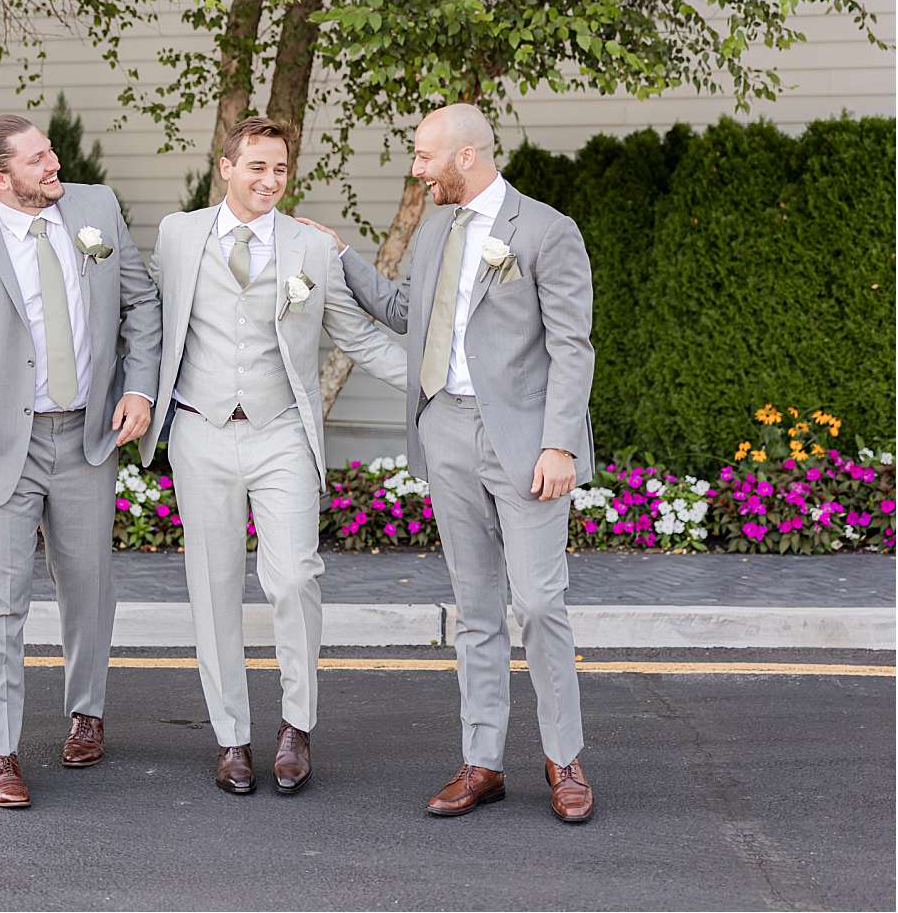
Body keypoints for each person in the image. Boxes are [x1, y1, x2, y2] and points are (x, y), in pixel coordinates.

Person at [313, 103, 597, 822]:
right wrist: (341, 256)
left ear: (465, 156)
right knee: (474, 610)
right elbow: (409, 313)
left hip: (528, 444)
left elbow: (573, 345)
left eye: (423, 156)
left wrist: (559, 443)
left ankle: (564, 759)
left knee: (537, 603)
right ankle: (483, 763)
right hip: (445, 430)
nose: (417, 169)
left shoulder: (545, 230)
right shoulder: (437, 227)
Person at [140, 116, 408, 796]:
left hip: (282, 430)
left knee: (293, 579)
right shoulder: (177, 235)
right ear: (226, 166)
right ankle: (232, 736)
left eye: (280, 170)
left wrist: (444, 376)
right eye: (257, 166)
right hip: (201, 429)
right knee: (215, 586)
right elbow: (145, 320)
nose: (269, 180)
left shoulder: (311, 251)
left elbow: (358, 336)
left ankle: (296, 725)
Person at [0, 114, 162, 808]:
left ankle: (87, 710)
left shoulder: (95, 208)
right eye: (36, 160)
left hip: (86, 437)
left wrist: (139, 388)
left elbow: (140, 303)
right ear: (0, 178)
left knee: (89, 586)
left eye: (51, 151)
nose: (54, 163)